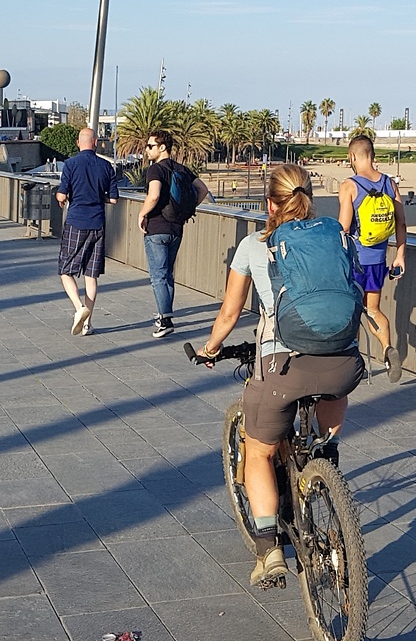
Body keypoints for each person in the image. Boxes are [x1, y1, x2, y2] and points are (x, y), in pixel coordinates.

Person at [199, 163, 366, 587]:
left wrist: (211, 347)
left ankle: (269, 549)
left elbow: (229, 312)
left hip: (283, 364)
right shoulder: (339, 238)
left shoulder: (255, 246)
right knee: (326, 419)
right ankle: (325, 468)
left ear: (270, 203)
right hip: (343, 362)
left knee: (257, 451)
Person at [337, 135, 407, 380]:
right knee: (373, 309)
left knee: (353, 312)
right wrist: (400, 256)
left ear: (353, 156)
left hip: (354, 262)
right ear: (372, 155)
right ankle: (388, 349)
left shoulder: (349, 185)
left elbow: (343, 228)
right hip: (378, 260)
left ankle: (353, 362)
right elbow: (401, 223)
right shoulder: (389, 183)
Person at [137, 130, 211, 338]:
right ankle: (165, 314)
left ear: (162, 148)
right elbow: (203, 190)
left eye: (150, 146)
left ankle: (165, 320)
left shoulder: (155, 170)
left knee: (158, 276)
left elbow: (154, 196)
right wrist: (186, 209)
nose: (147, 149)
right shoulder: (183, 169)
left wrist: (142, 214)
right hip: (176, 228)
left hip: (157, 228)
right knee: (168, 274)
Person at [55, 126, 118, 336]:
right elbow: (114, 198)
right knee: (91, 275)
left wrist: (63, 198)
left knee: (65, 269)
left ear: (77, 143)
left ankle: (79, 307)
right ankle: (88, 323)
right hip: (98, 223)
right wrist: (97, 198)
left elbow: (62, 195)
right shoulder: (107, 166)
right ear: (96, 142)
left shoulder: (71, 164)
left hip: (76, 222)